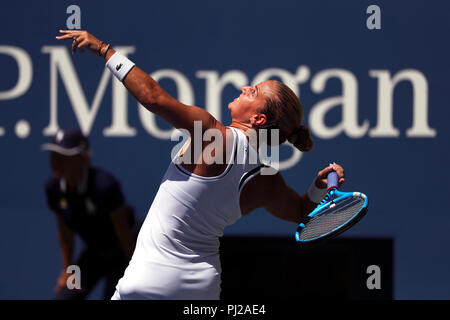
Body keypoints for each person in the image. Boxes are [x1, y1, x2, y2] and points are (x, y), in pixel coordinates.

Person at [55, 30, 345, 300]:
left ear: (258, 119)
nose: (244, 88)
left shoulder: (212, 133)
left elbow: (153, 98)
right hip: (202, 288)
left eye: (253, 92)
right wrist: (318, 188)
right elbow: (301, 212)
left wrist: (104, 50)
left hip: (151, 279)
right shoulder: (268, 178)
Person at [42, 128, 140, 300]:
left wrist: (135, 268)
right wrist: (67, 269)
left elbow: (123, 233)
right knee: (66, 296)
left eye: (63, 156)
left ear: (82, 158)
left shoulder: (104, 185)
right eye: (54, 155)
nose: (55, 161)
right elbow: (65, 232)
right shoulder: (53, 188)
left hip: (124, 251)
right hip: (94, 255)